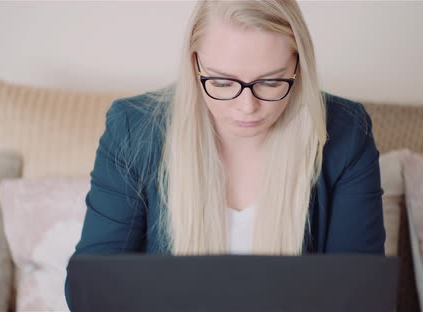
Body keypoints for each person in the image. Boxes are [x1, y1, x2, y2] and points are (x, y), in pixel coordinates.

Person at [65, 0, 385, 309]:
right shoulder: (133, 129)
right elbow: (90, 289)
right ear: (194, 65)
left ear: (300, 65)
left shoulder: (346, 133)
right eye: (221, 81)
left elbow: (360, 293)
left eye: (271, 81)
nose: (247, 106)